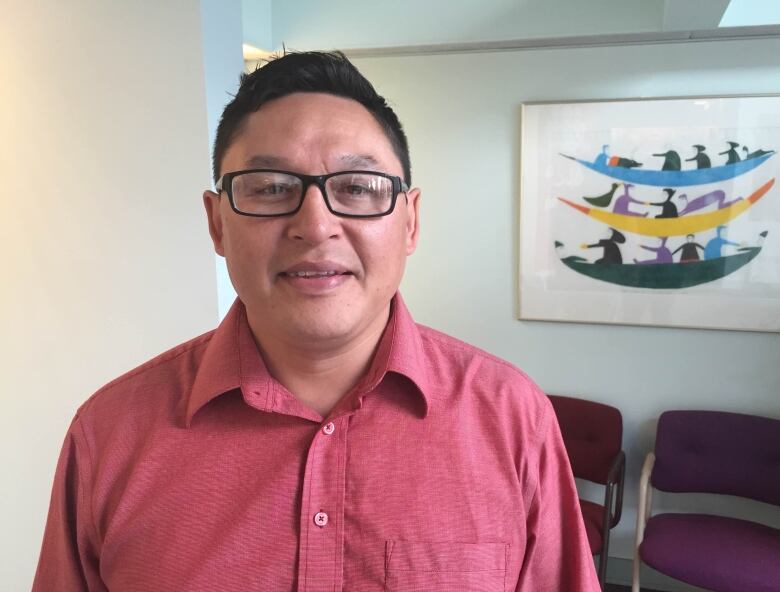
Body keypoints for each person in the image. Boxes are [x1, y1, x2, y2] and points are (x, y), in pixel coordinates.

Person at [33, 51, 599, 591]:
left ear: (410, 222)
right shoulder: (110, 435)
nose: (316, 224)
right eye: (272, 188)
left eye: (356, 188)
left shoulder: (512, 419)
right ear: (216, 224)